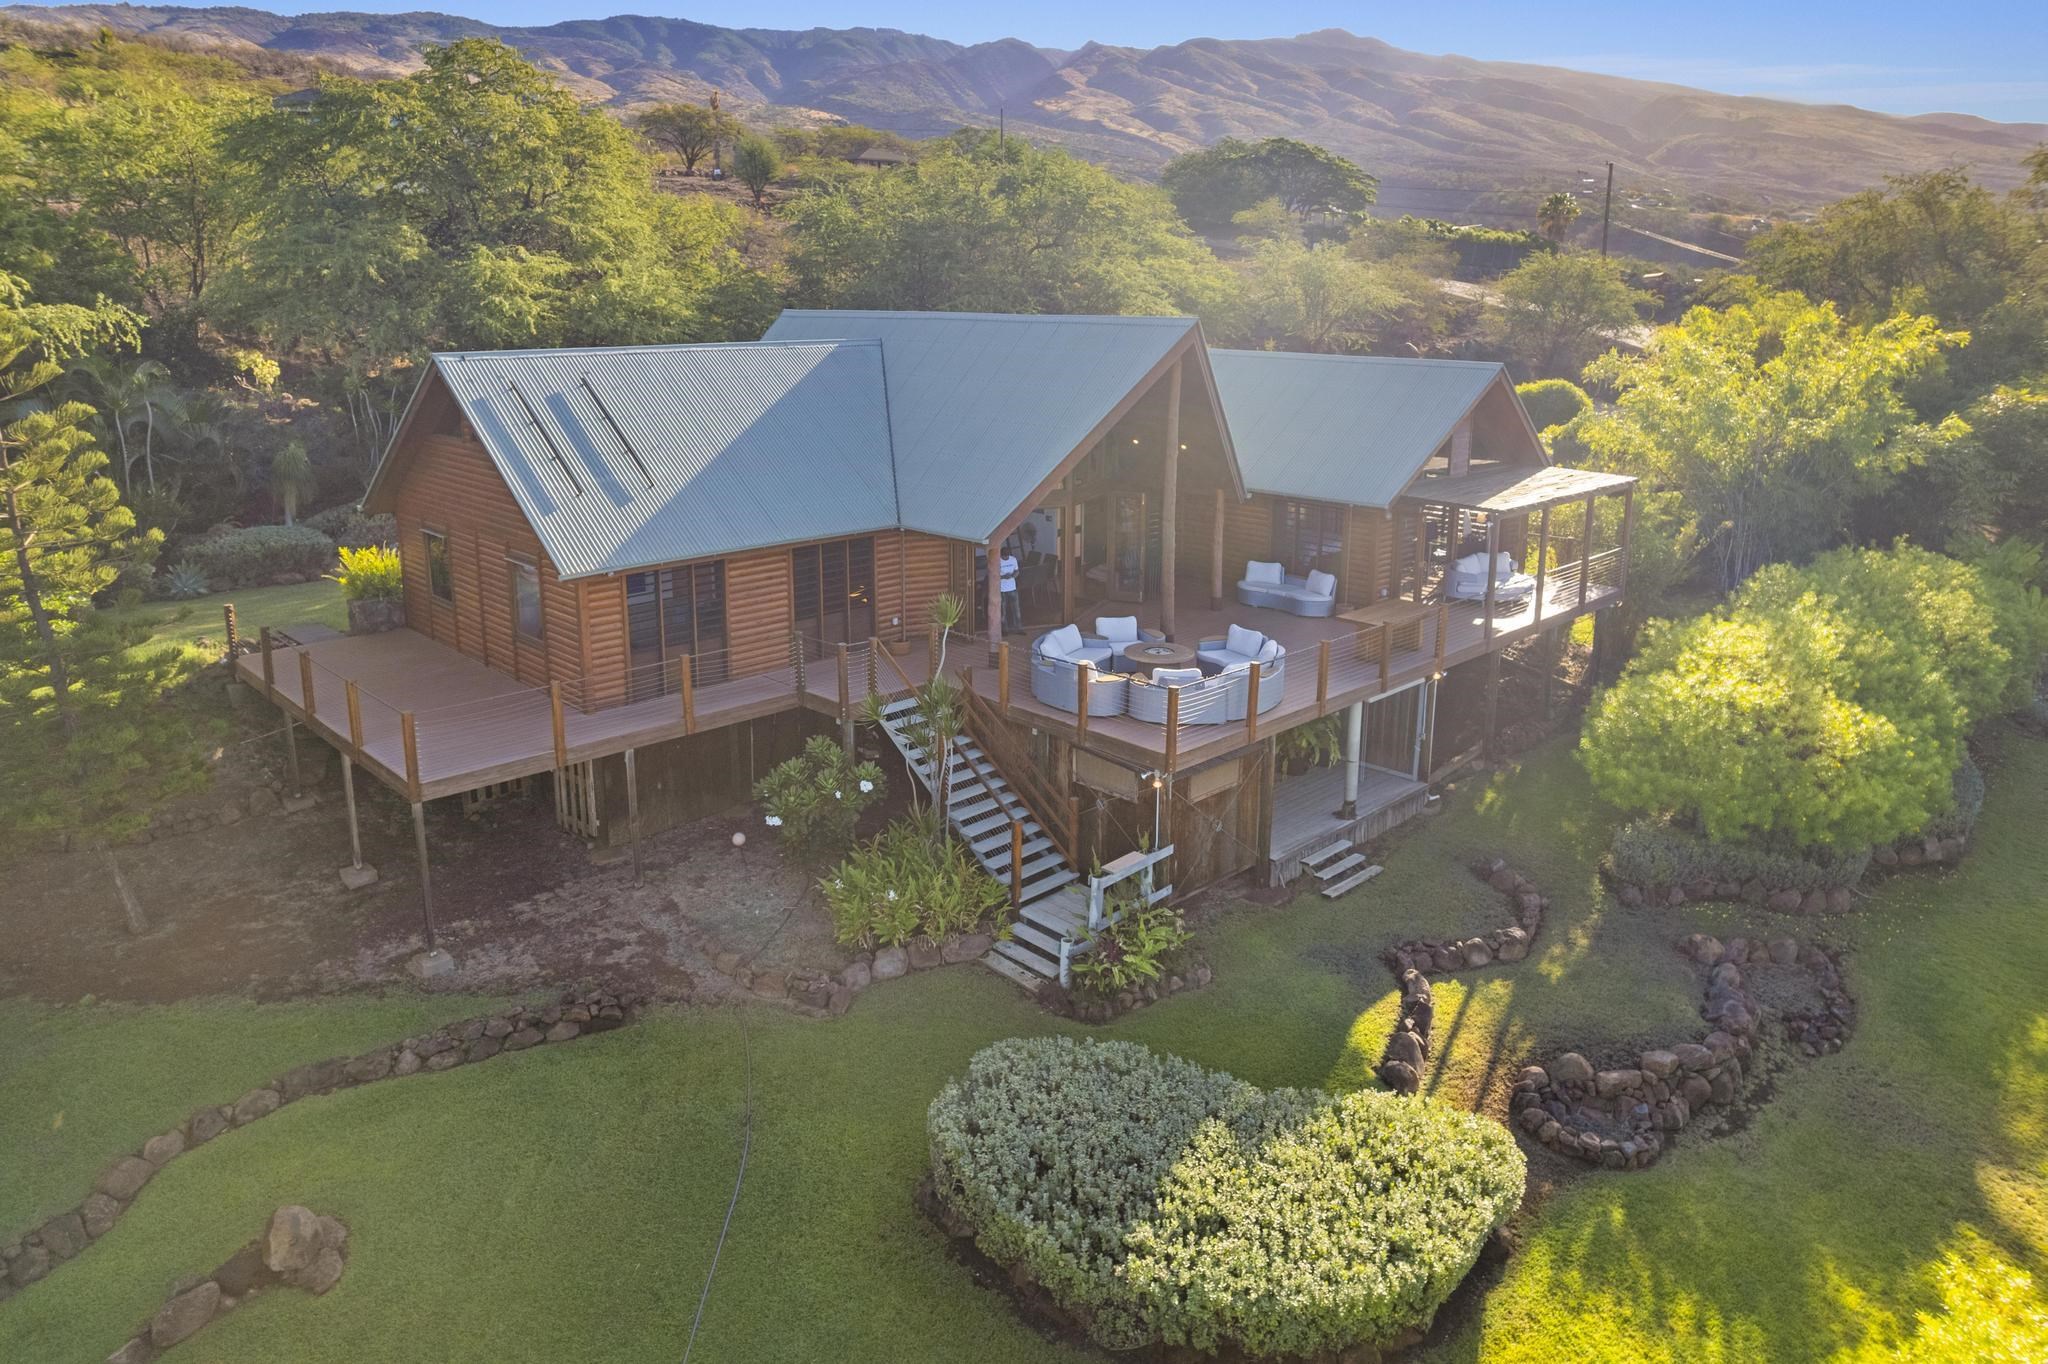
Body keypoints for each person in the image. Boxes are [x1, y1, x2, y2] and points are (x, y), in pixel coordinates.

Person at [999, 546, 1021, 628]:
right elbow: (994, 576)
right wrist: (1004, 577)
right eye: (1004, 557)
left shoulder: (1013, 559)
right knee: (1003, 611)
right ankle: (1005, 629)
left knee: (1016, 610)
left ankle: (1018, 628)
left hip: (1012, 588)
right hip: (1002, 589)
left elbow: (1017, 571)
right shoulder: (998, 561)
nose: (1006, 558)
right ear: (1001, 555)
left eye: (1007, 556)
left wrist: (1012, 576)